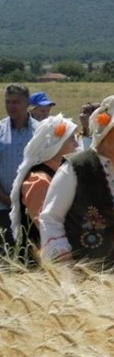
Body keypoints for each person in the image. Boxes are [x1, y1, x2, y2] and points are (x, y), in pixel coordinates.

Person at [39, 93, 114, 276]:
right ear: (106, 128)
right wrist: (65, 265)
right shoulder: (77, 168)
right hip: (83, 275)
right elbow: (51, 218)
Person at [9, 114, 78, 264]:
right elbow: (44, 224)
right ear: (56, 143)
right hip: (42, 261)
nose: (76, 142)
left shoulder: (59, 173)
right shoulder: (39, 179)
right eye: (71, 138)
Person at [0, 84, 38, 249]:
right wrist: (6, 199)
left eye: (15, 102)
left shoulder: (40, 131)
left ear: (27, 103)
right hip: (3, 206)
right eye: (7, 102)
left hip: (34, 206)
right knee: (5, 257)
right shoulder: (0, 130)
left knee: (31, 256)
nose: (11, 106)